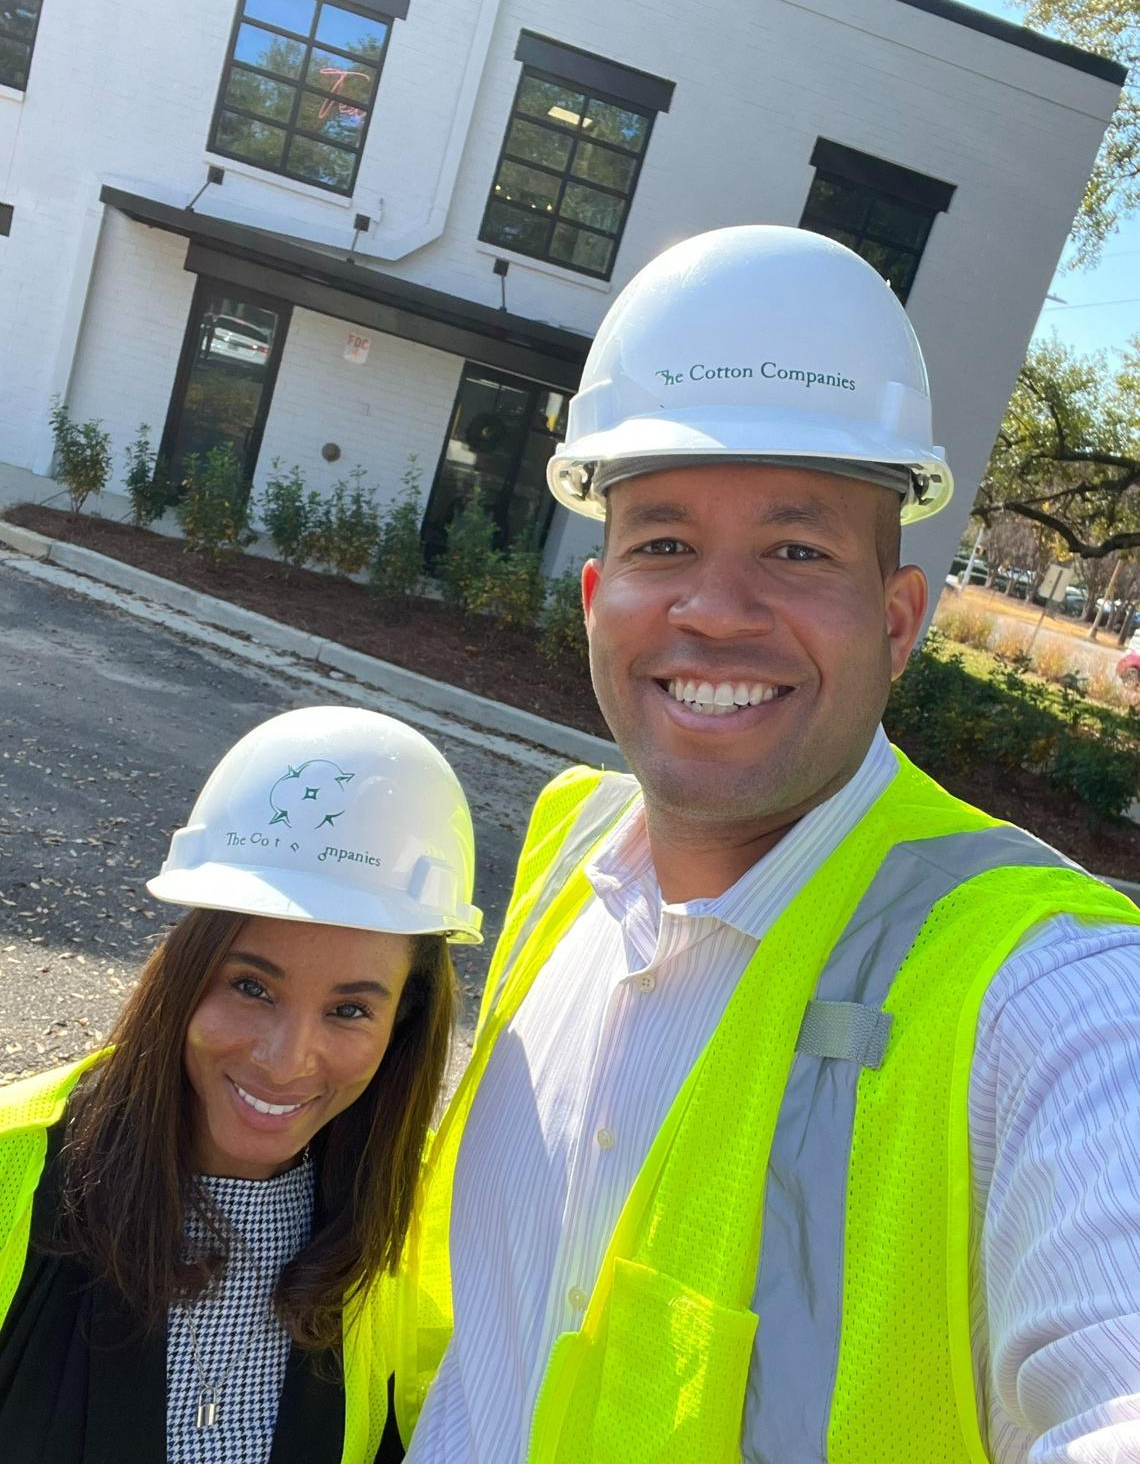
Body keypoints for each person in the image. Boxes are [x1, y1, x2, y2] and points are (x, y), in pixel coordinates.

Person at [395, 227, 1140, 1463]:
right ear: (596, 598)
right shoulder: (568, 844)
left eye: (797, 550)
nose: (716, 609)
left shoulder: (1041, 991)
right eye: (664, 544)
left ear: (899, 620)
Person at [0, 704, 482, 1464]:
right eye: (252, 987)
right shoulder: (13, 1167)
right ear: (187, 973)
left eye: (350, 1008)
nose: (287, 1059)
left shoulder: (418, 1226)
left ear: (404, 1026)